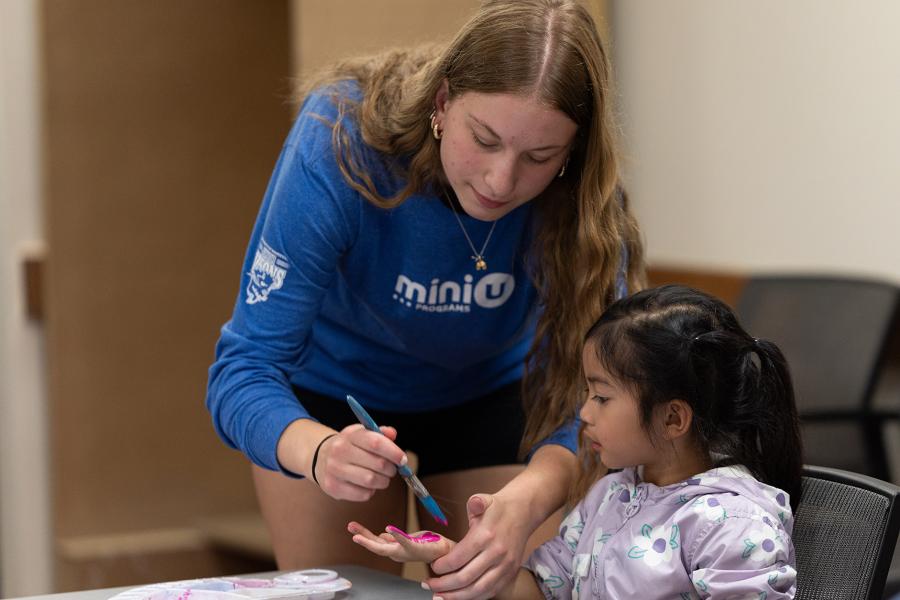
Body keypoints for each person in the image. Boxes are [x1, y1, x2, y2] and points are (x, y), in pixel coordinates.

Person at [206, 1, 644, 598]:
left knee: (514, 587)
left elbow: (602, 393)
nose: (500, 181)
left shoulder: (585, 191)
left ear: (572, 152)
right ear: (441, 104)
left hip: (493, 395)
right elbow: (242, 369)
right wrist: (319, 452)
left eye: (539, 158)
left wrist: (537, 489)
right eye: (483, 140)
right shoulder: (339, 139)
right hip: (334, 399)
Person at [349, 285, 803, 599]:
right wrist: (457, 557)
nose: (584, 413)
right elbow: (543, 589)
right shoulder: (611, 493)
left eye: (602, 396)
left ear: (673, 417)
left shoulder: (732, 522)